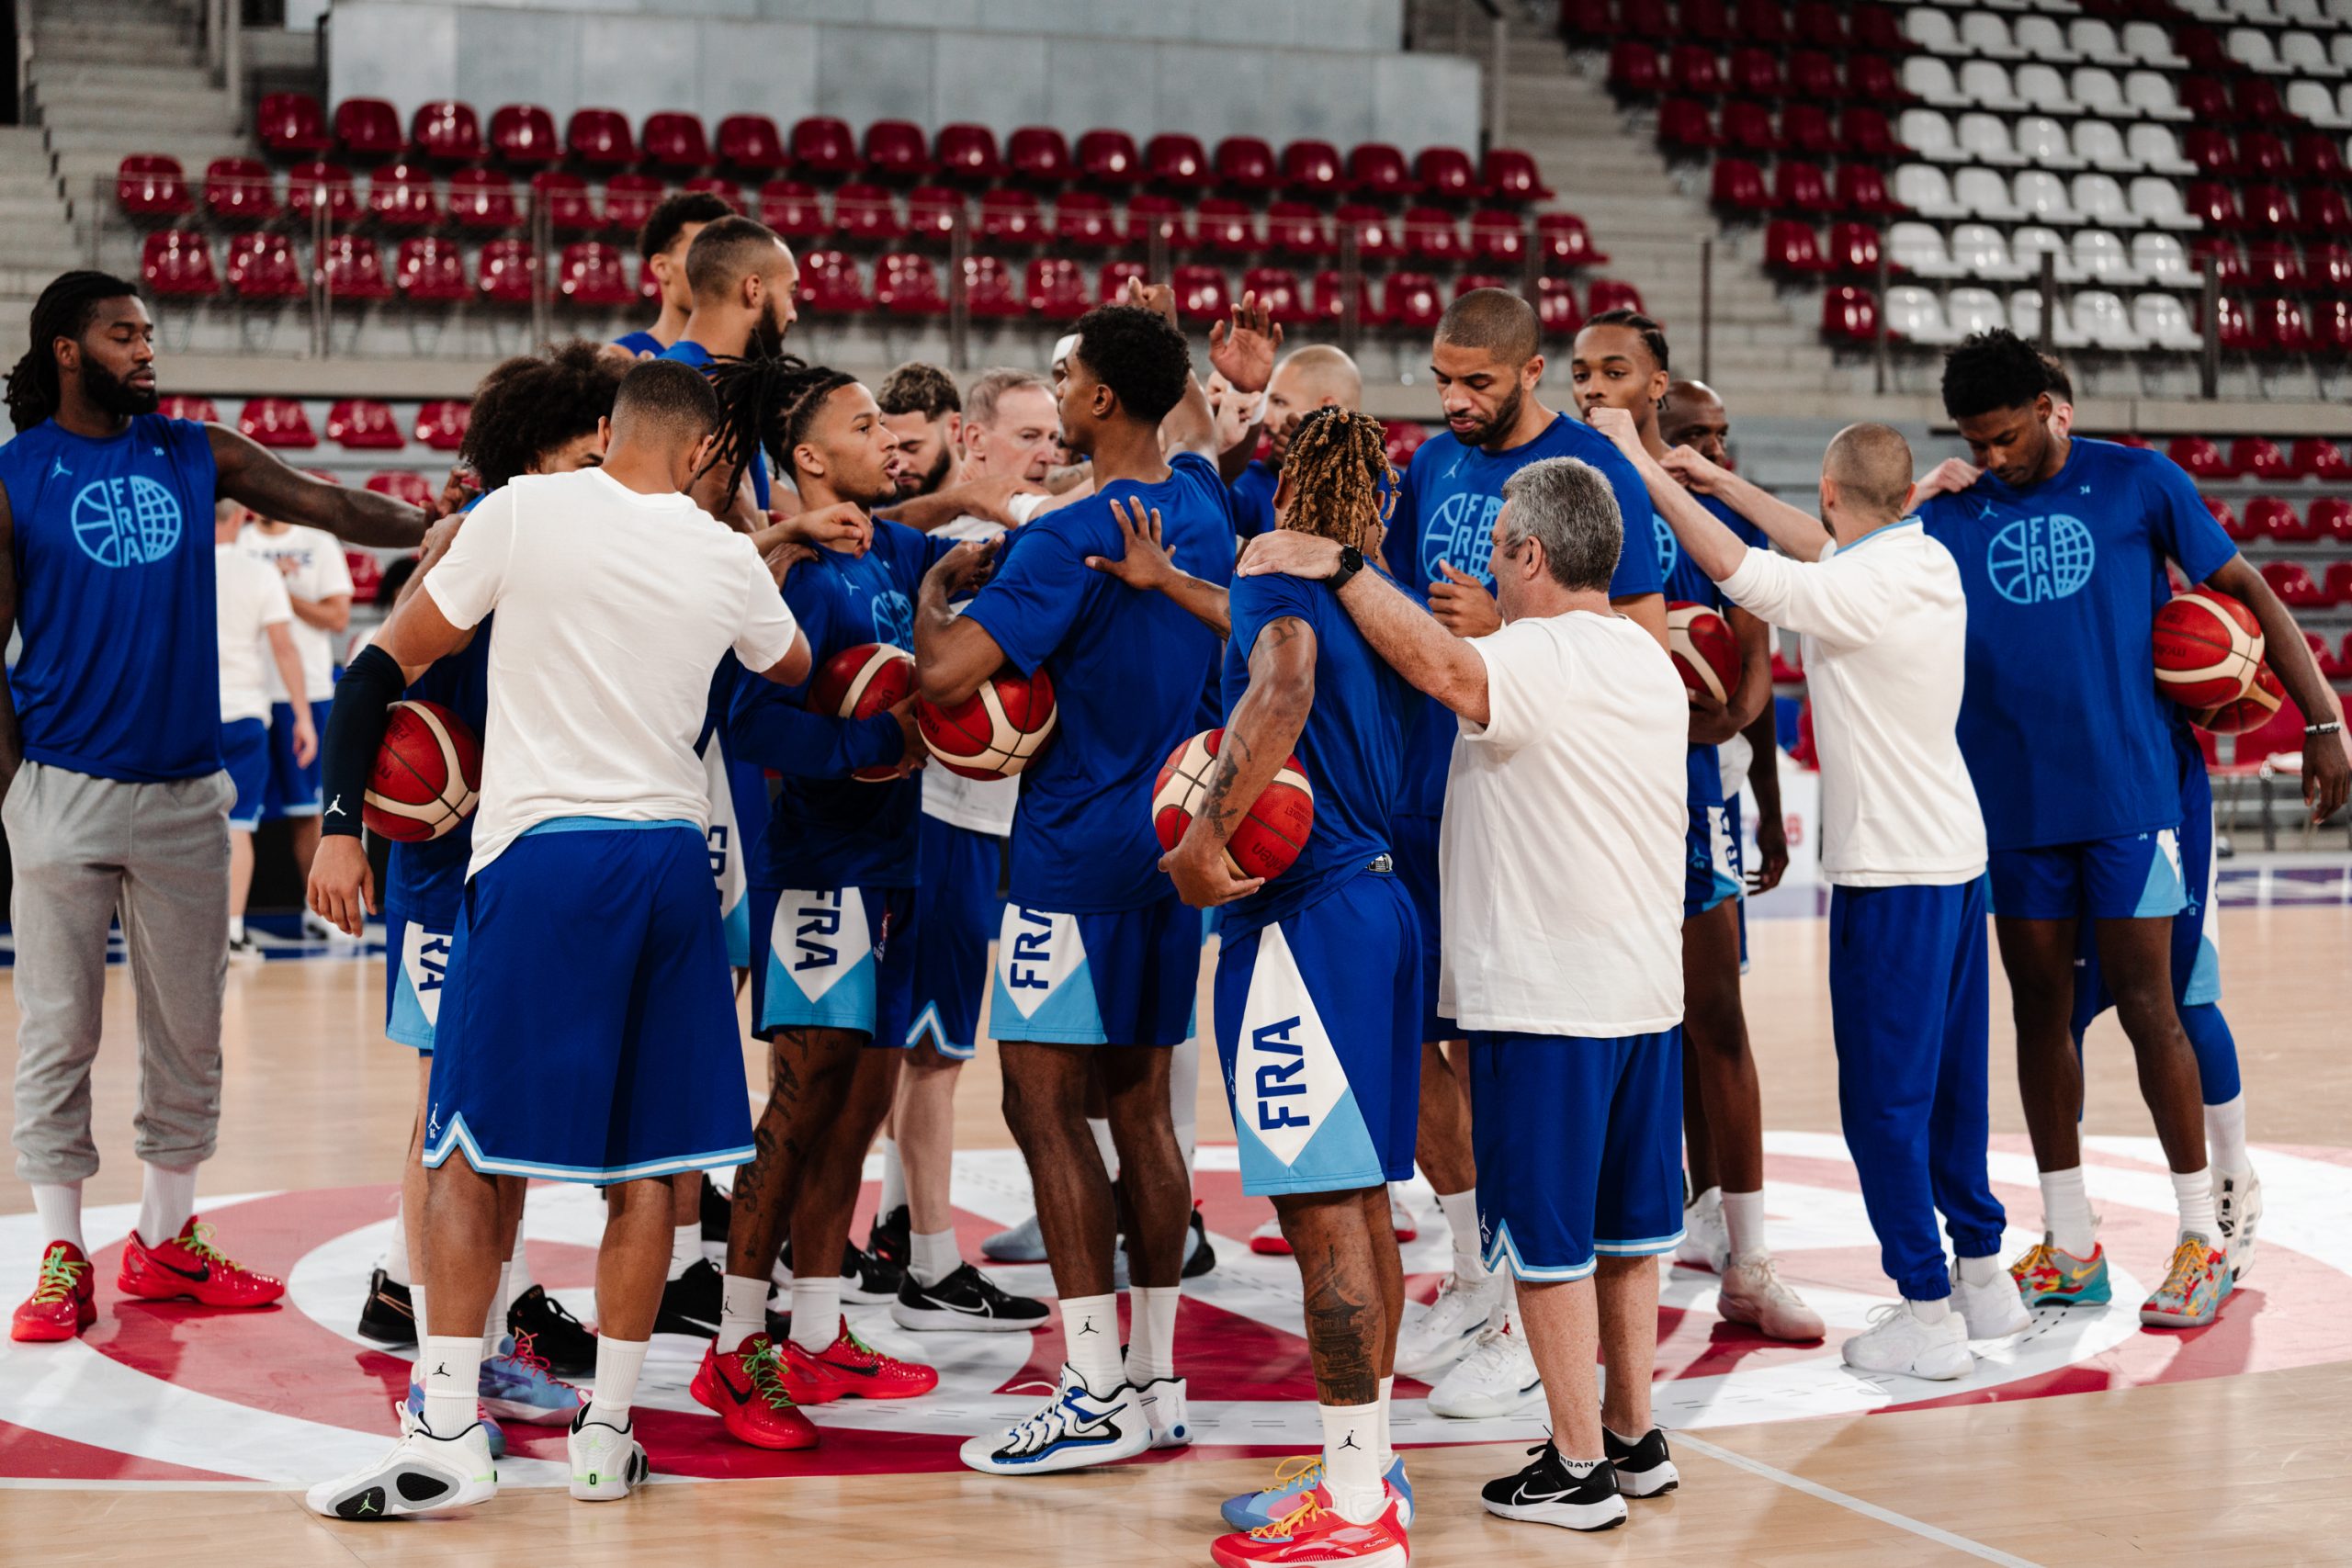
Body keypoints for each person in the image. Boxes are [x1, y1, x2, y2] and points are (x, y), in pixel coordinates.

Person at [301, 358, 812, 1520]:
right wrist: (756, 537)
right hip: (672, 863)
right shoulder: (726, 554)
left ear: (607, 430)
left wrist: (343, 828)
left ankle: (444, 1430)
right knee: (652, 1168)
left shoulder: (518, 512)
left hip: (540, 857)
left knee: (470, 1152)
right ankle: (607, 1435)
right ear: (697, 454)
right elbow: (792, 667)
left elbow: (383, 666)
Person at [1243, 454, 1688, 1532]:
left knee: (1547, 1249)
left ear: (1529, 554)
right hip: (1644, 994)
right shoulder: (1644, 658)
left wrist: (1343, 564)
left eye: (1497, 552)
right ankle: (1632, 1439)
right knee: (1628, 1238)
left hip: (1547, 1000)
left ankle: (1576, 1468)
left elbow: (1446, 671)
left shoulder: (1530, 656)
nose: (1487, 568)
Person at [3, 271, 431, 1345]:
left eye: (149, 333)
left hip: (190, 792)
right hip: (62, 787)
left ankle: (164, 1240)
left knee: (189, 1035)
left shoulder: (197, 452)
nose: (147, 350)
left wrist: (440, 524)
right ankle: (64, 1252)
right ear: (66, 349)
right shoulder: (16, 476)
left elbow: (332, 505)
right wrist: (15, 797)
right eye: (122, 335)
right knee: (59, 1032)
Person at [1916, 331, 2348, 1329]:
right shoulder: (1947, 516)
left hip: (2133, 804)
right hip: (2015, 810)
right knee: (2037, 1018)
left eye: (2006, 437)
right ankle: (2070, 1245)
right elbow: (1844, 583)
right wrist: (1908, 511)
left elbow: (2248, 592)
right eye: (1976, 443)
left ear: (2049, 409)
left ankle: (2203, 1235)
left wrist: (2320, 718)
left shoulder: (2139, 484)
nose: (1992, 458)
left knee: (2158, 1005)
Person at [914, 286, 1274, 1473]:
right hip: (1175, 844)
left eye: (1063, 380)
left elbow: (952, 674)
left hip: (1067, 857)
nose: (1054, 397)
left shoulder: (1065, 535)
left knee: (1039, 1105)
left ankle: (1087, 1387)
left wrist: (936, 593)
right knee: (1140, 1106)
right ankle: (1156, 1377)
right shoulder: (1202, 508)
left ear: (1103, 396)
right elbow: (1199, 439)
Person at [1599, 410, 2031, 1380]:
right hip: (1959, 860)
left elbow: (1747, 573)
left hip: (1893, 878)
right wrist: (1714, 480)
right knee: (1956, 1091)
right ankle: (1981, 1280)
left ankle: (1925, 1312)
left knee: (1882, 1103)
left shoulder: (1857, 584)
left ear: (1835, 493)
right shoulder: (1918, 557)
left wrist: (1644, 468)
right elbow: (1816, 545)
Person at [1099, 407, 1420, 1564]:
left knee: (1321, 1209)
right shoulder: (1380, 599)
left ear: (1282, 495)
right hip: (1381, 909)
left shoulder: (1278, 579)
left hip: (1301, 923)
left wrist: (1203, 836)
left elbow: (1277, 678)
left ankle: (1353, 1512)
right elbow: (1278, 649)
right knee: (1366, 1202)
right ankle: (1364, 1459)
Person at [1378, 288, 1666, 1417]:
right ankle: (1475, 1268)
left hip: (1541, 806)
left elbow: (1632, 640)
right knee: (1425, 1045)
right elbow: (1407, 607)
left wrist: (1503, 640)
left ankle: (1521, 1322)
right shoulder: (1430, 465)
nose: (1454, 400)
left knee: (1527, 1068)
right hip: (1437, 787)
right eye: (1441, 377)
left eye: (1477, 383)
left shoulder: (1588, 478)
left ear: (1532, 370)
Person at [694, 363, 981, 1455]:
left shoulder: (887, 550)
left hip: (895, 868)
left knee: (855, 1114)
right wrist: (863, 751)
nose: (890, 442)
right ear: (809, 458)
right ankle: (735, 1347)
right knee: (799, 1113)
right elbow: (748, 724)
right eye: (866, 428)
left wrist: (974, 544)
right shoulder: (804, 574)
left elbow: (944, 543)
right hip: (819, 873)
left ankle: (819, 1327)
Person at [352, 345, 626, 1422]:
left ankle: (474, 1309)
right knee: (442, 1112)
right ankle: (435, 1353)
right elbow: (368, 693)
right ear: (532, 456)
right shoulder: (468, 548)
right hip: (439, 873)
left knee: (496, 1112)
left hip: (528, 867)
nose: (606, 462)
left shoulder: (579, 548)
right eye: (585, 448)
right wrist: (339, 834)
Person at [1570, 311, 1821, 1343]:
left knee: (1709, 1016)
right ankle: (1641, 1211)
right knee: (1618, 1023)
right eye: (1705, 437)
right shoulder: (1572, 493)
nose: (1719, 452)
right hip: (1586, 796)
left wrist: (1763, 805)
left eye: (1722, 439)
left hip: (1690, 798)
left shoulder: (1721, 527)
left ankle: (1742, 1244)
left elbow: (1741, 697)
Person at [868, 366, 1069, 1330]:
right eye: (1027, 434)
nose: (1045, 452)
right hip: (941, 820)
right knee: (932, 1053)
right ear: (970, 435)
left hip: (998, 827)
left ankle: (901, 1232)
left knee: (926, 1047)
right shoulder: (937, 545)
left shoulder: (1043, 539)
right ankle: (931, 1266)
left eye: (1053, 438)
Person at [237, 506, 352, 938]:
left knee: (309, 810)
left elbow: (338, 617)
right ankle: (228, 922)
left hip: (306, 693)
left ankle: (323, 913)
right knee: (231, 815)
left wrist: (277, 592)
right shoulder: (238, 541)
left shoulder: (317, 543)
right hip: (244, 693)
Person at [213, 501, 311, 960]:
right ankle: (232, 932)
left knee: (174, 831)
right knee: (238, 827)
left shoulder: (175, 566)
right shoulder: (259, 573)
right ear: (238, 518)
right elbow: (285, 649)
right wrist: (303, 716)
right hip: (245, 713)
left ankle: (179, 935)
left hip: (187, 718)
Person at [1228, 344, 1364, 542]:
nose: (1266, 419)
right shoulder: (1253, 483)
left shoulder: (1397, 487)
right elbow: (1206, 515)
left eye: (1280, 402)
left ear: (1327, 408)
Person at [615, 190, 737, 358]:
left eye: (726, 255)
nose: (719, 268)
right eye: (703, 255)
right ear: (662, 267)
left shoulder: (749, 361)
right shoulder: (621, 358)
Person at [876, 360, 963, 500]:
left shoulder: (998, 508)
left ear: (954, 428)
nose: (900, 466)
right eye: (890, 449)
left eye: (912, 448)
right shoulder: (873, 502)